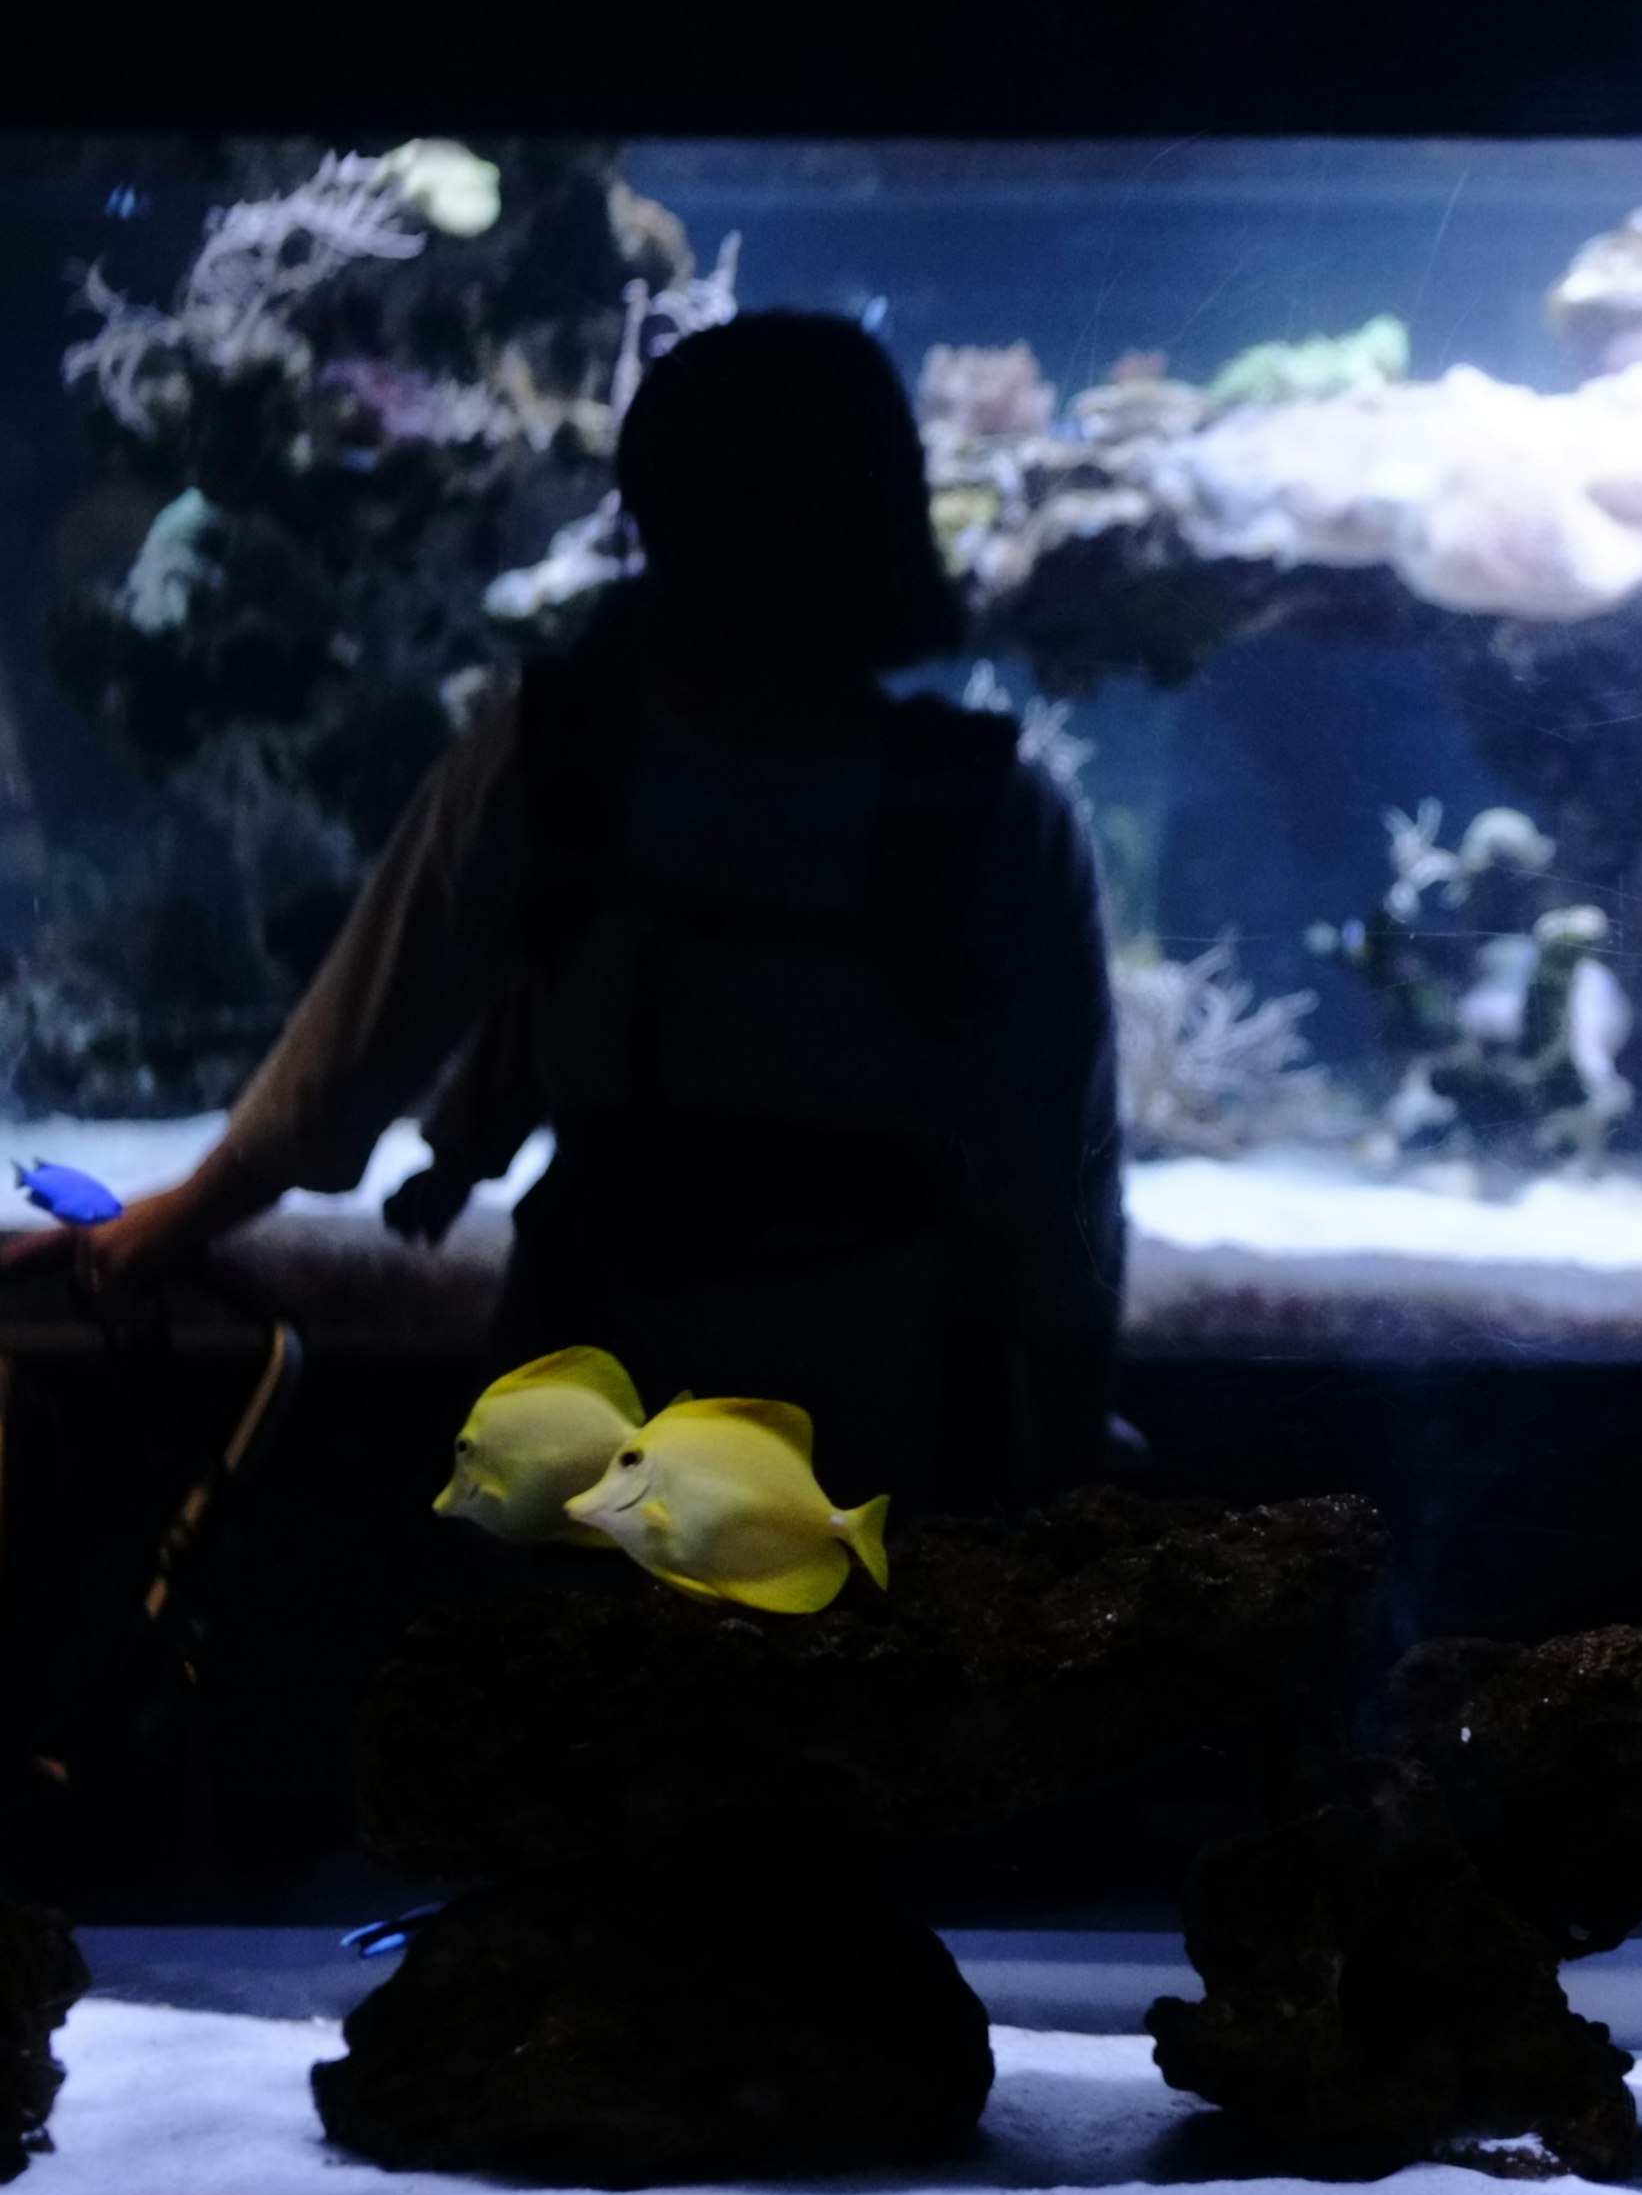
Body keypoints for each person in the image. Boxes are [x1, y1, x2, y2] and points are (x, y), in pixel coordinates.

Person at [12, 314, 1123, 1511]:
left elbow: (342, 1067)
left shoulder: (550, 759)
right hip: (882, 1413)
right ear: (887, 517)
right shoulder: (998, 813)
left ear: (651, 518)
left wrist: (160, 1231)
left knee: (566, 1692)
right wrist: (1070, 1448)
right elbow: (1061, 1190)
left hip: (604, 1406)